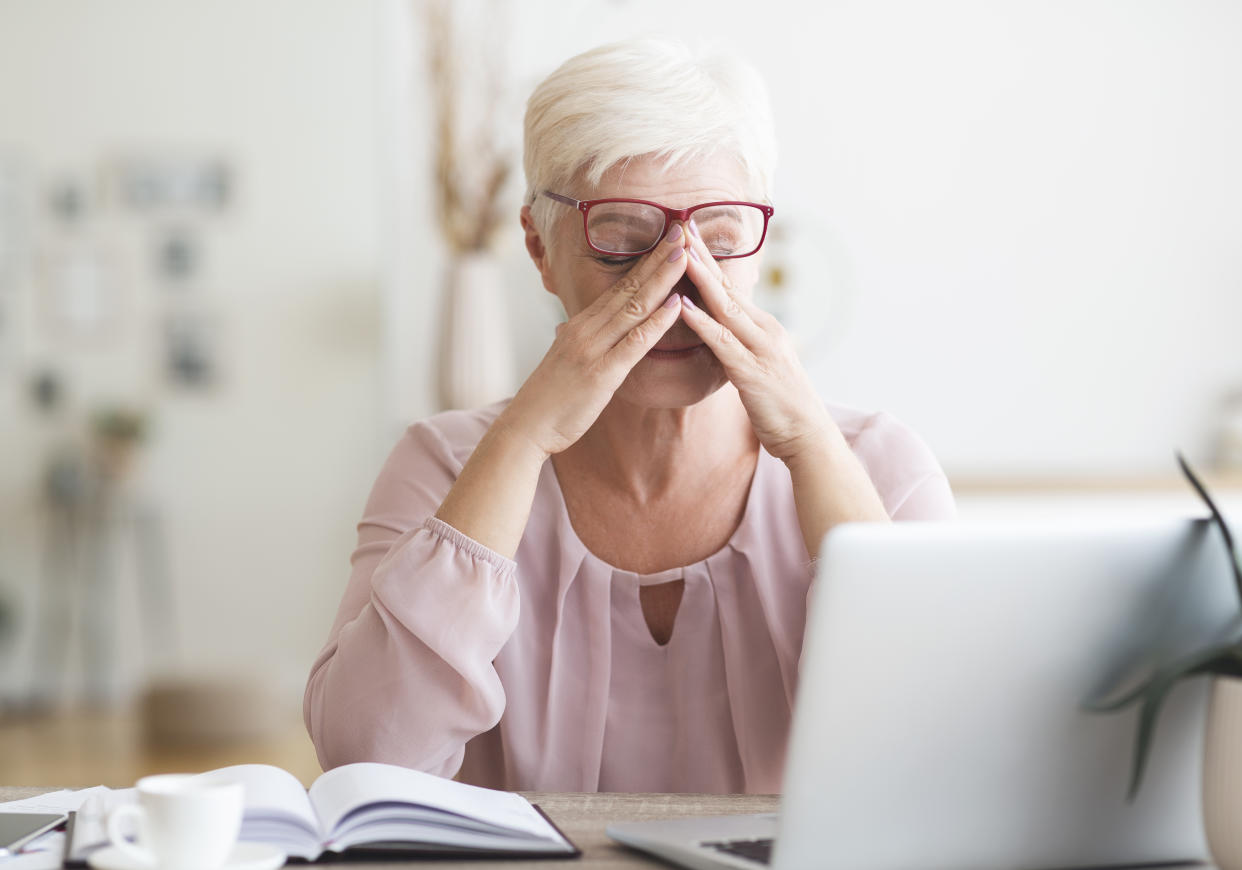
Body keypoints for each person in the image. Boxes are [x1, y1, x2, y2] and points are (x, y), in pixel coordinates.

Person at [304, 36, 955, 794]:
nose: (677, 290)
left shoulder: (883, 467)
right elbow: (366, 764)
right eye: (620, 246)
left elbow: (930, 757)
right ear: (539, 249)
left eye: (719, 242)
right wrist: (521, 438)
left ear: (762, 245)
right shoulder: (440, 466)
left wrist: (811, 446)